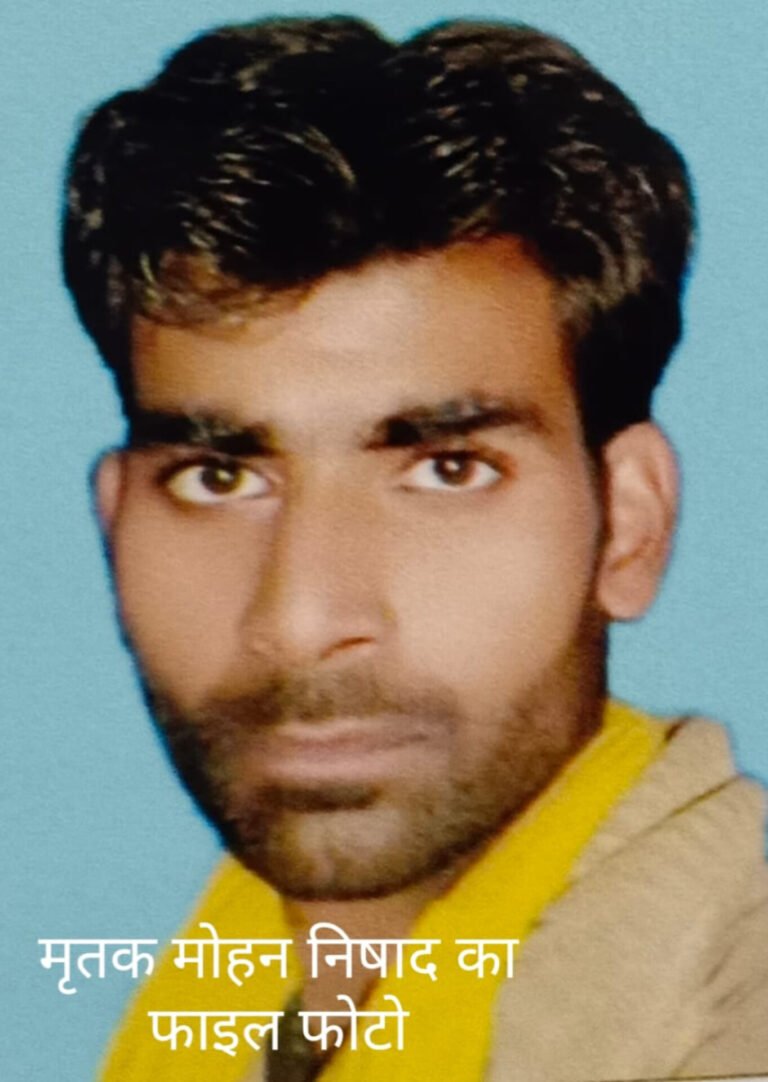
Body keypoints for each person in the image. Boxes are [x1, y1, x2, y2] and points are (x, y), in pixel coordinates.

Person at [62, 15, 768, 1082]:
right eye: (221, 477)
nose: (301, 617)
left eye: (447, 469)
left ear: (628, 524)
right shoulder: (222, 991)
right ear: (116, 523)